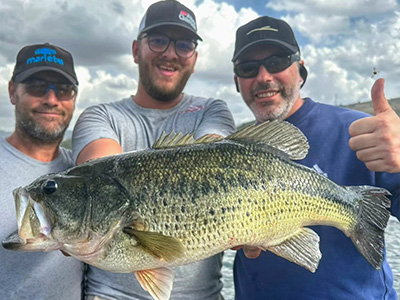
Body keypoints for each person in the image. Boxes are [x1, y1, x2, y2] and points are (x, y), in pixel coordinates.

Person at [72, 1, 235, 299]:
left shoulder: (213, 110)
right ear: (136, 50)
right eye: (158, 41)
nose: (170, 53)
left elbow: (216, 160)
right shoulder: (100, 116)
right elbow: (99, 183)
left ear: (194, 58)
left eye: (183, 45)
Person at [231, 16, 400, 300]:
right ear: (237, 81)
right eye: (248, 68)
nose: (263, 77)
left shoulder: (363, 133)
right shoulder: (232, 151)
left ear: (301, 70)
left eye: (277, 61)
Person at [0, 43, 84, 299]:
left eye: (64, 90)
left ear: (74, 99)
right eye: (37, 86)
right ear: (13, 91)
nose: (51, 99)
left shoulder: (81, 174)